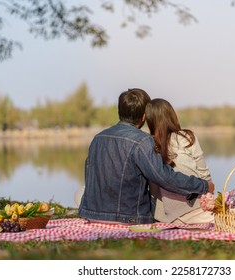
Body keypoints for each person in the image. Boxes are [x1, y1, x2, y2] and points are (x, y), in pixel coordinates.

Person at [78, 88, 214, 224]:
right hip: (127, 217)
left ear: (119, 111)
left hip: (91, 214)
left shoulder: (98, 138)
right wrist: (203, 185)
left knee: (79, 192)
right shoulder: (142, 141)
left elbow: (89, 175)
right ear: (144, 117)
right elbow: (164, 177)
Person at [145, 98, 214, 224]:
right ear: (171, 115)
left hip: (168, 216)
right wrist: (209, 194)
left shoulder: (148, 144)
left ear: (150, 121)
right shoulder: (187, 137)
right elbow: (205, 176)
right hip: (198, 211)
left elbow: (153, 191)